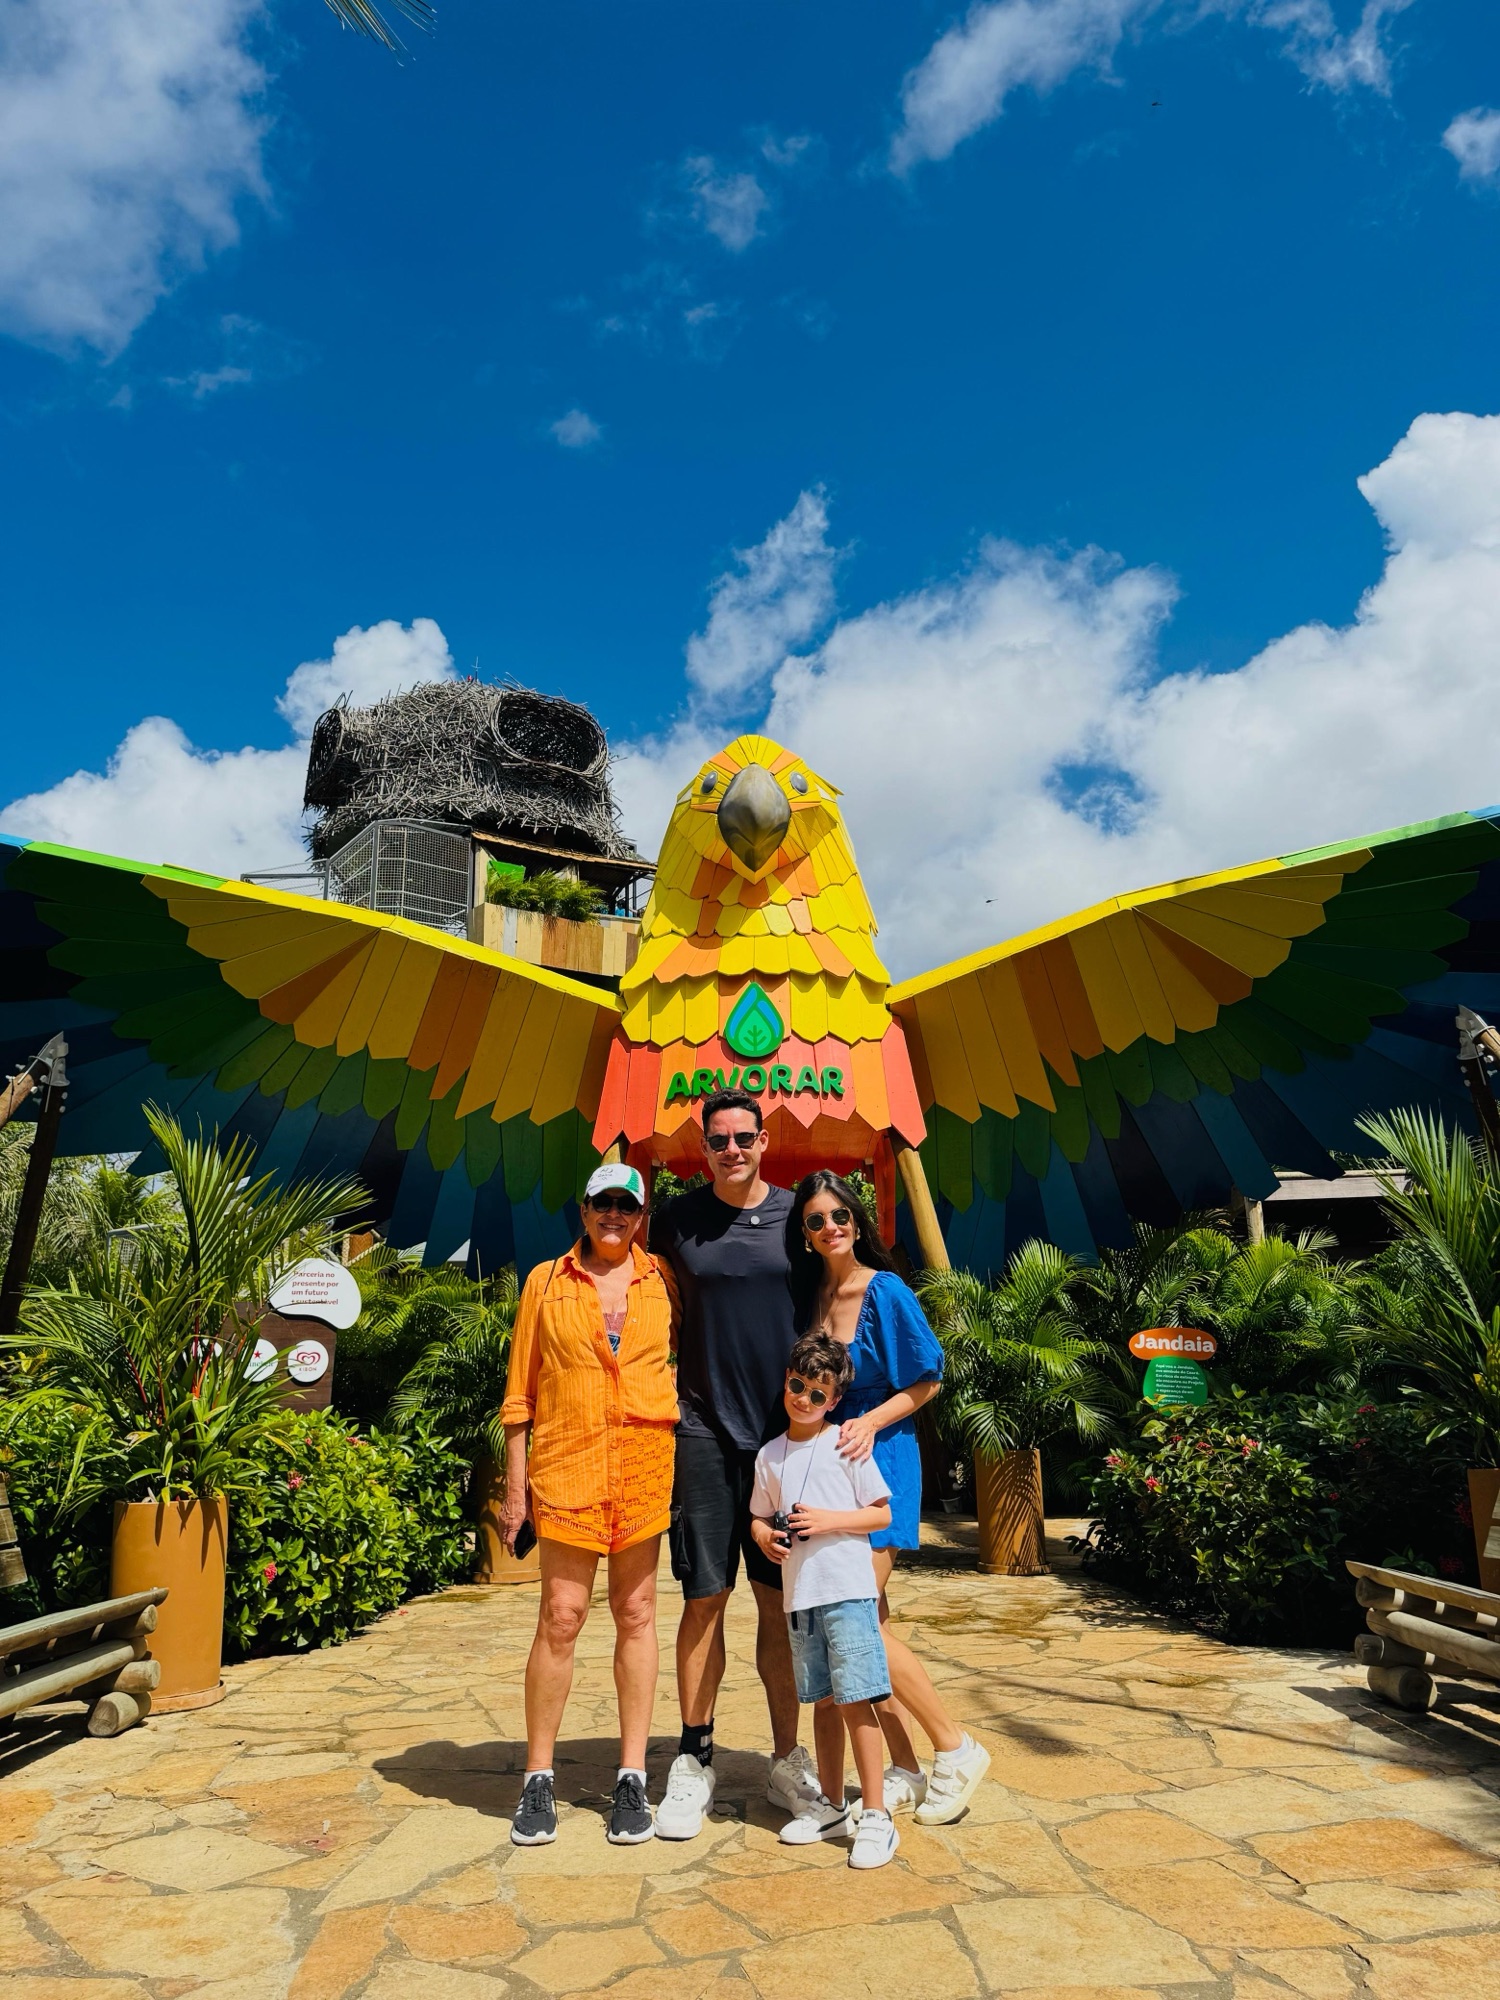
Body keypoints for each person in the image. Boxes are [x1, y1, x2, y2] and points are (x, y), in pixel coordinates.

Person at [787, 1169, 992, 1826]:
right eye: (816, 1220)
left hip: (885, 1464)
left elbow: (929, 1376)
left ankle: (954, 1748)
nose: (830, 1228)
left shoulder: (887, 1290)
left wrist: (872, 1423)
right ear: (806, 1231)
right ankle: (904, 1764)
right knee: (872, 1616)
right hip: (834, 1474)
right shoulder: (815, 1294)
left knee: (861, 1623)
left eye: (839, 1215)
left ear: (857, 1220)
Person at [649, 1088, 821, 1840]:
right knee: (704, 1599)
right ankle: (694, 1758)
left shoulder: (798, 1219)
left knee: (780, 1608)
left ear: (764, 1140)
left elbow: (836, 1307)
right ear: (703, 1148)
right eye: (717, 1140)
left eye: (743, 1137)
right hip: (703, 1436)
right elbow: (653, 1311)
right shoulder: (675, 1222)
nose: (732, 1150)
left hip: (785, 1442)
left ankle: (788, 1759)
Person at [499, 1163, 679, 1848]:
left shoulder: (663, 1281)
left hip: (641, 1469)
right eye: (602, 1203)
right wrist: (515, 1491)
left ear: (640, 1214)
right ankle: (538, 1777)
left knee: (636, 1613)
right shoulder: (546, 1284)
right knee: (561, 1617)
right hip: (568, 1468)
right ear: (582, 1209)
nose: (614, 1216)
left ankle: (631, 1775)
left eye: (625, 1206)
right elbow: (520, 1397)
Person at [750, 1332, 902, 1870]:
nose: (805, 1399)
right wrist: (765, 1536)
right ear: (786, 1382)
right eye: (798, 1386)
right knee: (822, 1700)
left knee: (858, 1698)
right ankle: (833, 1806)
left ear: (834, 1400)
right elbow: (760, 1515)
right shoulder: (769, 1455)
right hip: (802, 1598)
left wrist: (829, 1520)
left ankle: (877, 1815)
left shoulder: (845, 1444)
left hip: (848, 1591)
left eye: (818, 1393)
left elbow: (882, 1513)